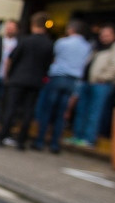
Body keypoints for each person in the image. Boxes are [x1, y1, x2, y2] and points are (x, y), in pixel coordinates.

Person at [0, 12, 54, 150]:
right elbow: (48, 65)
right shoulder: (49, 44)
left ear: (33, 25)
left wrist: (8, 76)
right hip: (35, 82)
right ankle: (21, 141)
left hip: (18, 79)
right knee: (28, 111)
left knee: (10, 108)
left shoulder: (25, 41)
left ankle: (1, 137)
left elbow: (11, 59)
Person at [33, 19, 91, 153]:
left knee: (47, 110)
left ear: (71, 30)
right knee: (61, 114)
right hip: (73, 81)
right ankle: (54, 144)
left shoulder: (62, 42)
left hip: (58, 77)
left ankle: (40, 141)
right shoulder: (87, 46)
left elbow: (53, 57)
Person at [68, 23, 115, 148]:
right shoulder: (96, 46)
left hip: (101, 84)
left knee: (94, 112)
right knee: (82, 110)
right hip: (87, 82)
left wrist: (103, 78)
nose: (104, 37)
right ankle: (77, 136)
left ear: (114, 36)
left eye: (107, 34)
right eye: (102, 34)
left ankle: (89, 139)